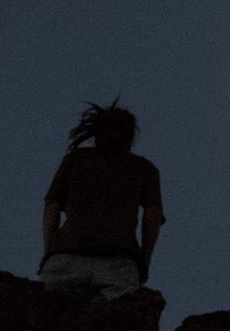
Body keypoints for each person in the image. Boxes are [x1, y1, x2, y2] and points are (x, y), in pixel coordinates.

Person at [38, 99, 164, 300]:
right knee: (115, 325)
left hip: (66, 257)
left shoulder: (75, 159)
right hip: (120, 262)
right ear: (130, 137)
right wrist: (144, 259)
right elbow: (153, 214)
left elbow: (52, 207)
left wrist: (50, 251)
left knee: (47, 321)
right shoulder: (145, 169)